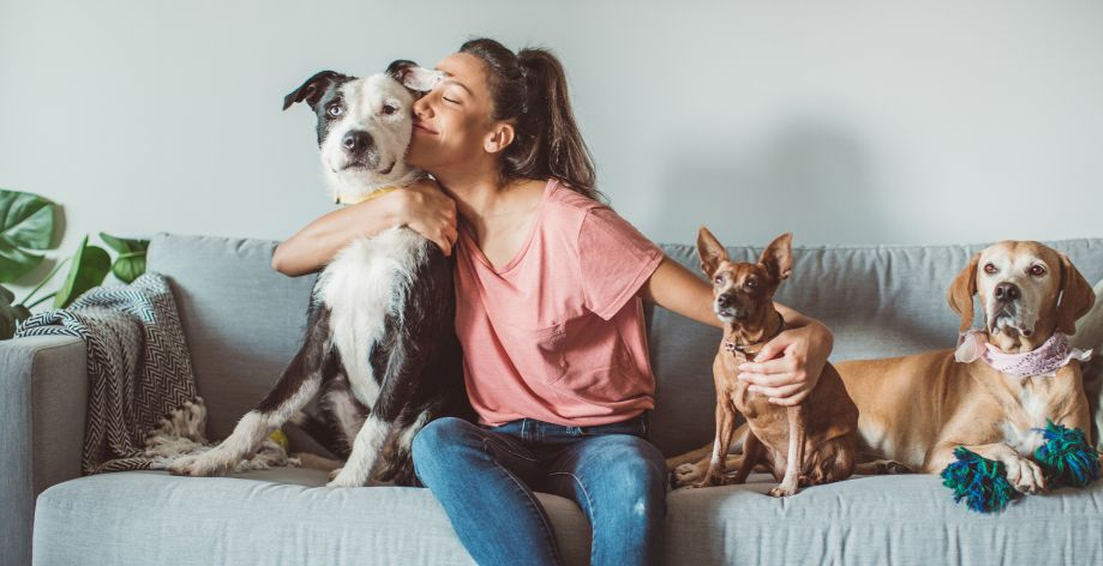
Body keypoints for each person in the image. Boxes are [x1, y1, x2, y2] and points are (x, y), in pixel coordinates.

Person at [271, 37, 834, 566]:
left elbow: (722, 307)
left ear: (496, 137)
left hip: (601, 441)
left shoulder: (576, 224)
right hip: (498, 437)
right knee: (437, 440)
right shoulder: (424, 209)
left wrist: (815, 335)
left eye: (448, 96)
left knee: (635, 474)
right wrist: (391, 209)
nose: (421, 105)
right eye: (426, 92)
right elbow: (288, 258)